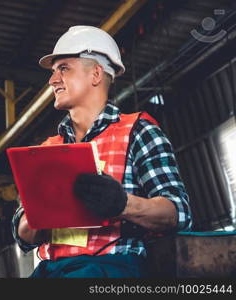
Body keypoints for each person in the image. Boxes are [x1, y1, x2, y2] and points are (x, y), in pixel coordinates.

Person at [11, 25, 192, 278]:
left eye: (63, 68)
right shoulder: (46, 150)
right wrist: (34, 215)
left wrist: (123, 204)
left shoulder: (138, 131)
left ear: (96, 74)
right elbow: (23, 236)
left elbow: (178, 212)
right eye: (53, 72)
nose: (52, 80)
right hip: (53, 270)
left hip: (115, 268)